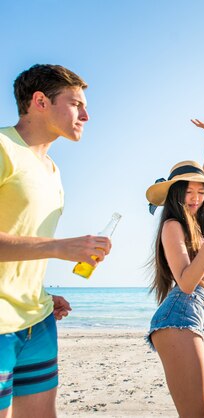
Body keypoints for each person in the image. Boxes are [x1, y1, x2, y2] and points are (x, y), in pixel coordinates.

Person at [0, 64, 112, 417]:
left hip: (37, 320)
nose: (86, 115)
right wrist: (60, 247)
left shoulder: (51, 170)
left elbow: (20, 239)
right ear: (40, 101)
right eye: (76, 103)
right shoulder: (3, 147)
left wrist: (41, 292)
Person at [145, 119, 204, 417]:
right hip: (178, 318)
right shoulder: (173, 226)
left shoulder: (197, 224)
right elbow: (187, 283)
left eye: (201, 193)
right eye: (189, 192)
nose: (197, 199)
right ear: (175, 194)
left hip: (194, 319)